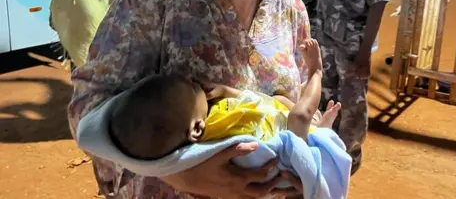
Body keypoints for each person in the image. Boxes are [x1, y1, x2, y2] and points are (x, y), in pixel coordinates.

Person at [67, 0, 333, 197]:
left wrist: (307, 163)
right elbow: (87, 107)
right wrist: (179, 173)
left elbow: (300, 110)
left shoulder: (292, 10)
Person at [109, 39, 342, 160]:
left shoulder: (209, 122)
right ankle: (317, 77)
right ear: (197, 128)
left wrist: (224, 91)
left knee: (280, 99)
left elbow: (247, 103)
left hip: (276, 121)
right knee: (300, 115)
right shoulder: (221, 142)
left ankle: (319, 130)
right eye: (192, 89)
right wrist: (315, 73)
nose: (196, 83)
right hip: (292, 143)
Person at [313, 0, 394, 175]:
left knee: (351, 102)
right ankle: (327, 145)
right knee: (327, 94)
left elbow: (379, 3)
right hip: (328, 36)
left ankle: (350, 155)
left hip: (352, 43)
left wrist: (365, 52)